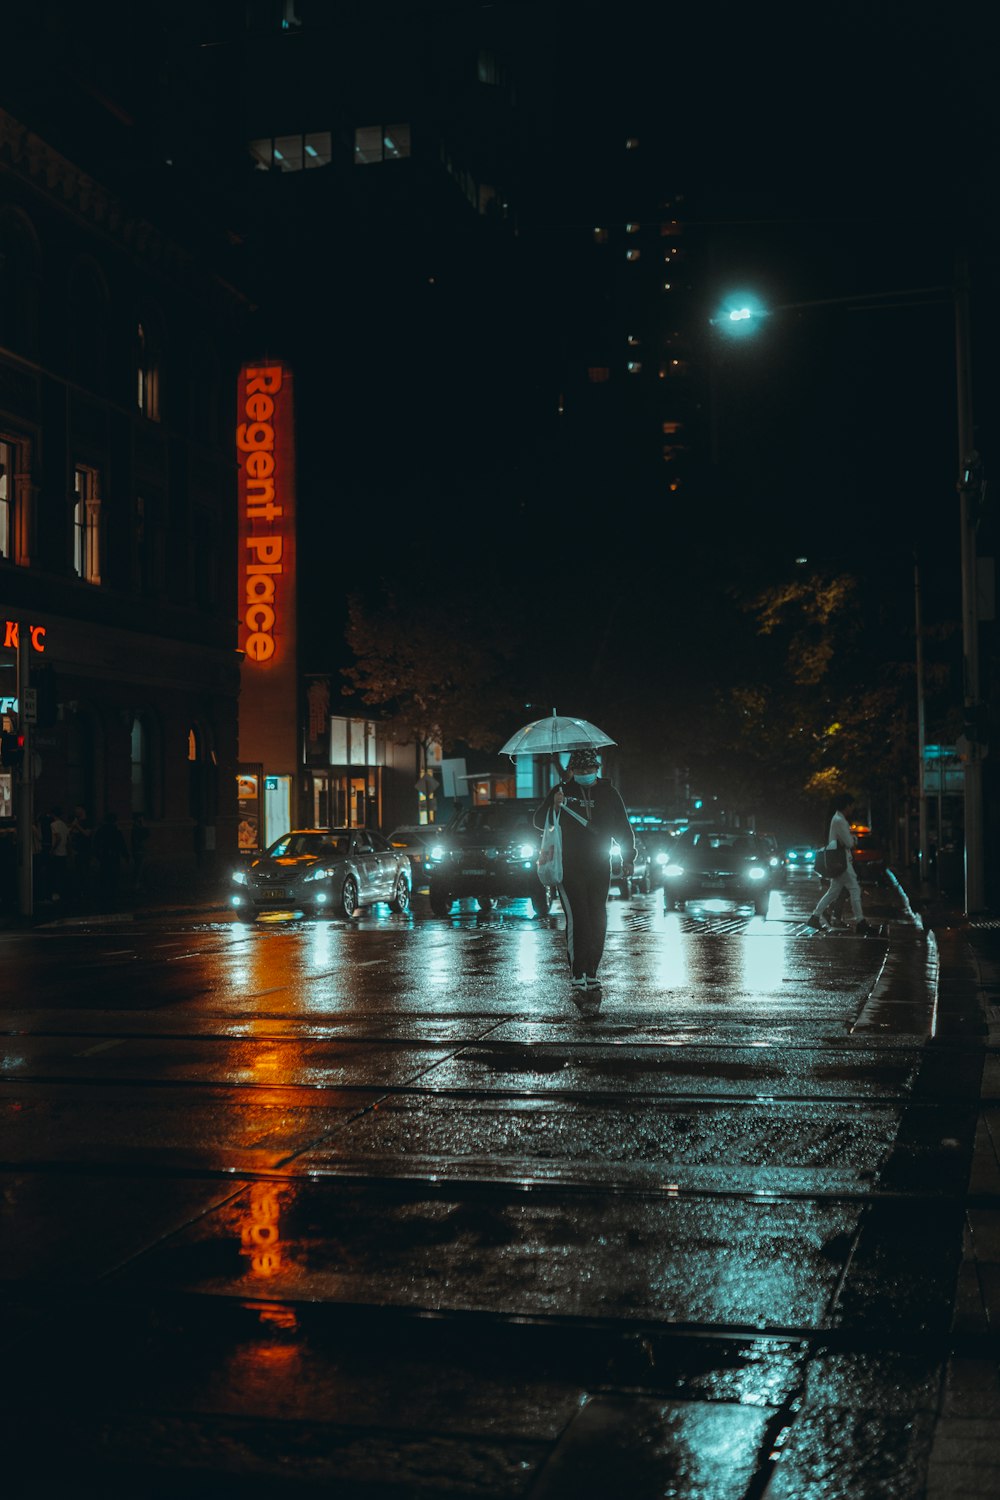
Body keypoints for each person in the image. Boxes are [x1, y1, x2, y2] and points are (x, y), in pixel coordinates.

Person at [534, 746, 637, 993]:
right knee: (578, 917)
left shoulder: (609, 793)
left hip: (599, 866)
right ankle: (577, 972)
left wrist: (628, 857)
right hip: (568, 867)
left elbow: (623, 828)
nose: (585, 773)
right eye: (580, 769)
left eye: (589, 769)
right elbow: (539, 821)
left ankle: (592, 971)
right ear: (571, 770)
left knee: (597, 918)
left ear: (597, 769)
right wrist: (554, 807)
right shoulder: (561, 791)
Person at [808, 792, 875, 936]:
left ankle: (815, 917)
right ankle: (860, 922)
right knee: (854, 889)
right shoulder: (839, 820)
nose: (853, 808)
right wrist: (854, 840)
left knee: (833, 891)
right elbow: (849, 842)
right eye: (852, 805)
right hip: (842, 861)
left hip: (840, 860)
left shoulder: (837, 818)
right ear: (847, 805)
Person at [92, 811, 130, 907]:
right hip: (114, 856)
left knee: (104, 876)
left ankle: (104, 896)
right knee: (114, 876)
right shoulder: (116, 831)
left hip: (104, 856)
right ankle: (112, 896)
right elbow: (122, 845)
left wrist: (98, 856)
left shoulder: (101, 830)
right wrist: (126, 856)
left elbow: (95, 845)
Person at [48, 805, 70, 903]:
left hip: (57, 852)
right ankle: (64, 892)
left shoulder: (53, 825)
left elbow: (58, 837)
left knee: (54, 873)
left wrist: (52, 849)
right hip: (64, 852)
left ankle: (56, 893)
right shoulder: (64, 824)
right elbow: (68, 838)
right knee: (62, 873)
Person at [130, 812, 149, 892]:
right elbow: (146, 834)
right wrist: (143, 826)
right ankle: (136, 884)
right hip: (139, 850)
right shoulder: (136, 828)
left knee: (138, 867)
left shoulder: (136, 828)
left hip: (138, 850)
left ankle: (137, 883)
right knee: (139, 867)